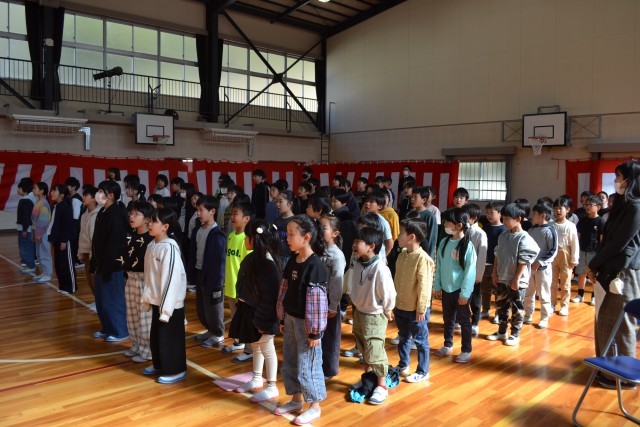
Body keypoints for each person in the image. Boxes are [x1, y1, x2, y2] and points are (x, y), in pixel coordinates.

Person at [587, 161, 640, 389]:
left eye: (619, 177)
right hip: (609, 269)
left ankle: (625, 377)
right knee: (605, 322)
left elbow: (619, 242)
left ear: (631, 180)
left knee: (621, 325)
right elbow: (608, 240)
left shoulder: (637, 207)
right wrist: (597, 266)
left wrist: (593, 264)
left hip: (623, 272)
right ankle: (608, 370)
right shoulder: (623, 205)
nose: (616, 181)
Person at [274, 215, 328, 425]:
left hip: (307, 325)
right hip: (290, 319)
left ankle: (314, 406)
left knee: (308, 364)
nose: (287, 238)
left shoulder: (315, 266)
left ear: (306, 237)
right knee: (290, 361)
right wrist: (282, 317)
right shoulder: (292, 261)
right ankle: (296, 400)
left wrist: (315, 332)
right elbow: (284, 290)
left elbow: (317, 303)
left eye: (291, 234)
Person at [230, 219, 282, 402]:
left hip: (263, 315)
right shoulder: (253, 258)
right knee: (256, 346)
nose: (245, 240)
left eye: (247, 236)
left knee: (267, 348)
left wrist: (263, 320)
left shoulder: (268, 264)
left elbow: (271, 297)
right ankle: (257, 378)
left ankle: (272, 386)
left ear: (255, 238)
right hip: (250, 310)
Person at [346, 226, 396, 404]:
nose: (354, 245)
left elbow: (389, 293)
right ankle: (368, 379)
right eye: (354, 241)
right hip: (359, 311)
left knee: (375, 350)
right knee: (363, 348)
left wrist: (388, 309)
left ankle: (382, 385)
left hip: (374, 315)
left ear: (371, 246)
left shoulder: (380, 268)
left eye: (358, 242)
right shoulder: (357, 262)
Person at [142, 208, 188, 384]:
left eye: (154, 221)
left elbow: (171, 280)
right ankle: (159, 364)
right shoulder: (152, 245)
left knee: (170, 339)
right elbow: (149, 276)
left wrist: (166, 309)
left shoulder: (169, 248)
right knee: (157, 337)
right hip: (157, 302)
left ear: (165, 227)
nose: (150, 223)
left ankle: (176, 369)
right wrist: (147, 298)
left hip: (170, 305)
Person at [486, 203, 539, 346]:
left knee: (517, 308)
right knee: (501, 306)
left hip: (517, 281)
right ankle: (501, 331)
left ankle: (515, 334)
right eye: (503, 218)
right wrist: (495, 273)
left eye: (507, 218)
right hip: (502, 277)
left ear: (518, 219)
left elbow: (524, 260)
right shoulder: (503, 236)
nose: (504, 221)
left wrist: (517, 278)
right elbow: (497, 255)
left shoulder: (524, 237)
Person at [433, 209, 476, 362]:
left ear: (458, 226)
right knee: (448, 318)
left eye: (448, 222)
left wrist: (464, 294)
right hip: (446, 289)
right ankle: (448, 344)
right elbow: (439, 266)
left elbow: (470, 272)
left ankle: (466, 350)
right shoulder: (444, 242)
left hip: (460, 291)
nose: (445, 224)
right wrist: (437, 285)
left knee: (464, 321)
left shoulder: (467, 246)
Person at [394, 218, 435, 378]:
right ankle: (403, 364)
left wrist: (421, 309)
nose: (398, 236)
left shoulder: (423, 258)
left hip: (416, 309)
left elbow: (424, 286)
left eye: (401, 233)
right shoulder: (402, 255)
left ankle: (423, 371)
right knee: (403, 336)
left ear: (411, 237)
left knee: (420, 340)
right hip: (401, 305)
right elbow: (397, 280)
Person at [92, 180, 129, 342]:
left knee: (113, 299)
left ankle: (120, 330)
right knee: (102, 299)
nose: (98, 194)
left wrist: (107, 265)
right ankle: (107, 327)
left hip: (112, 265)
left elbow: (114, 244)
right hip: (102, 263)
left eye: (101, 191)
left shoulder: (115, 215)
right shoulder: (103, 212)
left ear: (111, 195)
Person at [188, 195, 227, 349]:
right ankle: (210, 329)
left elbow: (219, 262)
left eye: (201, 210)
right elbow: (193, 253)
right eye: (197, 210)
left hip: (213, 277)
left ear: (212, 211)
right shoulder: (198, 230)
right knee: (202, 306)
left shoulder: (217, 234)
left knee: (213, 307)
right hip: (200, 272)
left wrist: (217, 282)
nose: (198, 213)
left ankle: (218, 333)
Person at [222, 201, 255, 363]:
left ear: (246, 218)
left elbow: (248, 268)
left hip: (241, 287)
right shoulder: (230, 236)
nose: (232, 217)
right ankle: (238, 342)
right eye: (232, 213)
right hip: (230, 284)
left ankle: (249, 350)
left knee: (245, 319)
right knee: (235, 317)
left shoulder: (247, 240)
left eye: (236, 214)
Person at [124, 201, 155, 363]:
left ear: (148, 219)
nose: (132, 216)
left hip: (144, 280)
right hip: (131, 278)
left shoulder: (151, 239)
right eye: (131, 213)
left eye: (136, 214)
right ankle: (136, 344)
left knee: (145, 318)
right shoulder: (131, 235)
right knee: (132, 316)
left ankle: (147, 350)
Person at [523, 202, 558, 329]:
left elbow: (553, 251)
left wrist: (540, 262)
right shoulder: (531, 230)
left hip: (543, 269)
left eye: (534, 214)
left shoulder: (550, 231)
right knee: (528, 293)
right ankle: (528, 314)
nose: (532, 216)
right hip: (529, 268)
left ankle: (544, 318)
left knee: (544, 294)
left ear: (543, 215)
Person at [319, 214, 346, 379]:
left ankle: (329, 369)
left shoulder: (336, 255)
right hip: (318, 298)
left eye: (324, 228)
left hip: (329, 300)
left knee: (330, 337)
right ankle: (318, 365)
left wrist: (333, 305)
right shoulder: (319, 250)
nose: (320, 230)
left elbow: (337, 282)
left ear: (335, 233)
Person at [572, 195, 604, 305]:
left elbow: (602, 239)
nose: (587, 207)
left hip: (594, 252)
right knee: (581, 273)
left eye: (591, 205)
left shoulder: (601, 221)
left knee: (593, 275)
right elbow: (578, 236)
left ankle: (594, 296)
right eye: (586, 204)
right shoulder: (583, 220)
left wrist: (600, 254)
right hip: (582, 250)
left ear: (598, 207)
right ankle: (580, 294)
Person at [551, 196, 580, 316]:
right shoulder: (551, 225)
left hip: (566, 255)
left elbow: (574, 243)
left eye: (560, 208)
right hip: (552, 255)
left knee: (566, 282)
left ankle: (564, 305)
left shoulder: (571, 225)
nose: (558, 211)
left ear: (567, 209)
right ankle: (552, 303)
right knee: (552, 281)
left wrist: (574, 259)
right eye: (555, 208)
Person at [463, 203, 487, 336]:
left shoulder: (480, 234)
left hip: (474, 273)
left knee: (475, 300)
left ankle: (475, 323)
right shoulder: (463, 230)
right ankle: (463, 320)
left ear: (474, 218)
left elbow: (482, 256)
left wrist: (478, 275)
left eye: (466, 216)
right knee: (463, 297)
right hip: (462, 271)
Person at [48, 184, 77, 295]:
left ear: (61, 195)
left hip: (65, 241)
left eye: (54, 190)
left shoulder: (65, 207)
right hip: (57, 240)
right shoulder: (56, 206)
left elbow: (67, 226)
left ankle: (71, 287)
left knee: (66, 264)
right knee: (59, 264)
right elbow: (54, 224)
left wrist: (64, 241)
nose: (51, 193)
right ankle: (62, 285)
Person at [480, 201, 506, 322]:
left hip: (497, 264)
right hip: (485, 263)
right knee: (485, 289)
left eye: (492, 212)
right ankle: (485, 310)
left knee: (497, 290)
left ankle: (498, 313)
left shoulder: (503, 230)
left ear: (500, 214)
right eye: (487, 212)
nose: (489, 215)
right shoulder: (485, 228)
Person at [78, 185, 99, 310]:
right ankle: (95, 299)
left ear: (94, 199)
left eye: (86, 195)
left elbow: (95, 237)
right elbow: (82, 234)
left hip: (94, 252)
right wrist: (80, 252)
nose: (83, 197)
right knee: (89, 278)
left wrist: (93, 254)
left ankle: (99, 301)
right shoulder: (84, 215)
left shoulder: (98, 214)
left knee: (95, 277)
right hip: (86, 251)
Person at [408, 186, 438, 258]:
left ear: (424, 200)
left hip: (423, 253)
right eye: (412, 196)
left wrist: (429, 257)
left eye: (415, 197)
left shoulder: (429, 216)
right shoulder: (410, 214)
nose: (412, 199)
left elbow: (432, 239)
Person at [31, 182, 52, 283]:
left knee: (44, 253)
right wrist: (33, 232)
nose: (33, 190)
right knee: (39, 253)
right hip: (38, 231)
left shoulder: (44, 203)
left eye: (35, 188)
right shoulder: (38, 201)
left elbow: (43, 221)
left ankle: (48, 274)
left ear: (41, 191)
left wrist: (39, 234)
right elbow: (35, 220)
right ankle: (44, 272)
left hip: (43, 233)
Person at [363, 191, 394, 256]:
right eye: (366, 201)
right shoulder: (363, 218)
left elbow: (389, 244)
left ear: (379, 206)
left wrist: (383, 257)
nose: (367, 203)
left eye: (371, 202)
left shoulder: (382, 222)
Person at [17, 178, 36, 274]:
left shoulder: (27, 200)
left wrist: (24, 229)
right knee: (25, 247)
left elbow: (26, 216)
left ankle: (31, 265)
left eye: (19, 188)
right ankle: (29, 264)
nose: (18, 190)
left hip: (26, 229)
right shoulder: (26, 199)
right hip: (25, 228)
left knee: (26, 247)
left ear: (24, 189)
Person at [64, 177, 83, 267]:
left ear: (74, 187)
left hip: (75, 227)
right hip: (71, 226)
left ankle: (78, 261)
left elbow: (76, 216)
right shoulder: (69, 198)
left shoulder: (76, 199)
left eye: (68, 185)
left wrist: (72, 228)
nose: (66, 187)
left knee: (75, 244)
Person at [273, 190, 296, 265]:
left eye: (280, 201)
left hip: (289, 256)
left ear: (290, 204)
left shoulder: (295, 221)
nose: (277, 204)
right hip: (277, 255)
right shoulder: (277, 220)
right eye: (276, 201)